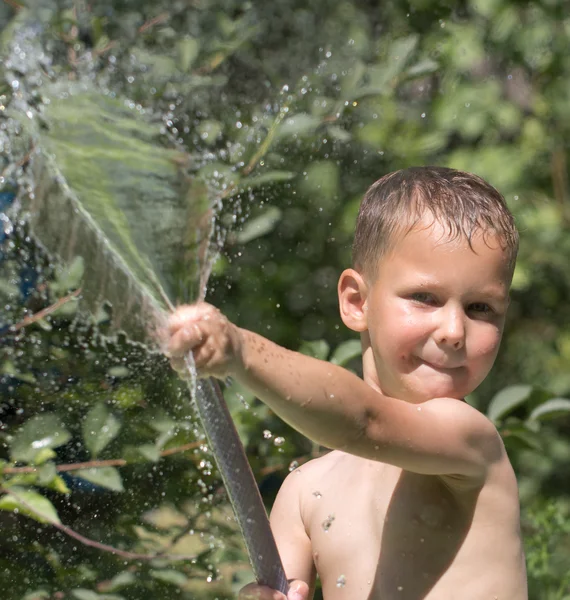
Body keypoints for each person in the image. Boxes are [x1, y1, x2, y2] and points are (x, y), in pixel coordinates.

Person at [165, 167, 528, 599]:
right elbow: (277, 589)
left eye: (480, 307)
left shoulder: (470, 443)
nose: (454, 329)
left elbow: (365, 421)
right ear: (357, 302)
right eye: (425, 298)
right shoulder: (304, 493)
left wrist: (241, 352)